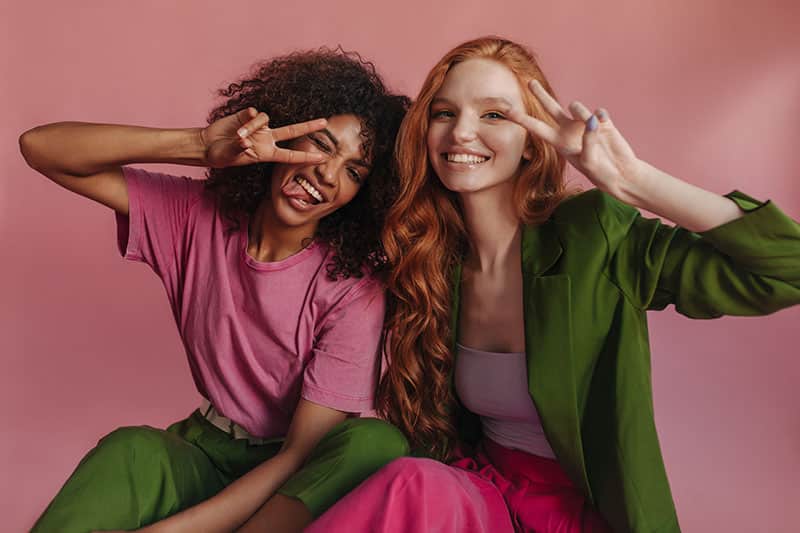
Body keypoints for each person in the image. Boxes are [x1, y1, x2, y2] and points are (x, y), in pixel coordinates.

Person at [303, 36, 800, 533]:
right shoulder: (429, 257)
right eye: (444, 113)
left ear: (531, 141)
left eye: (494, 115)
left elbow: (787, 267)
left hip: (582, 512)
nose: (462, 132)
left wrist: (632, 180)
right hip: (485, 492)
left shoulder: (592, 234)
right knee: (412, 482)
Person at [20, 48, 410, 533]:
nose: (327, 175)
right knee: (132, 450)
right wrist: (200, 145)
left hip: (292, 485)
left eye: (354, 171)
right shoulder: (195, 217)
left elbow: (297, 458)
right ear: (281, 131)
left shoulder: (354, 291)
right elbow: (40, 148)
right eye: (320, 145)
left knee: (376, 442)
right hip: (205, 449)